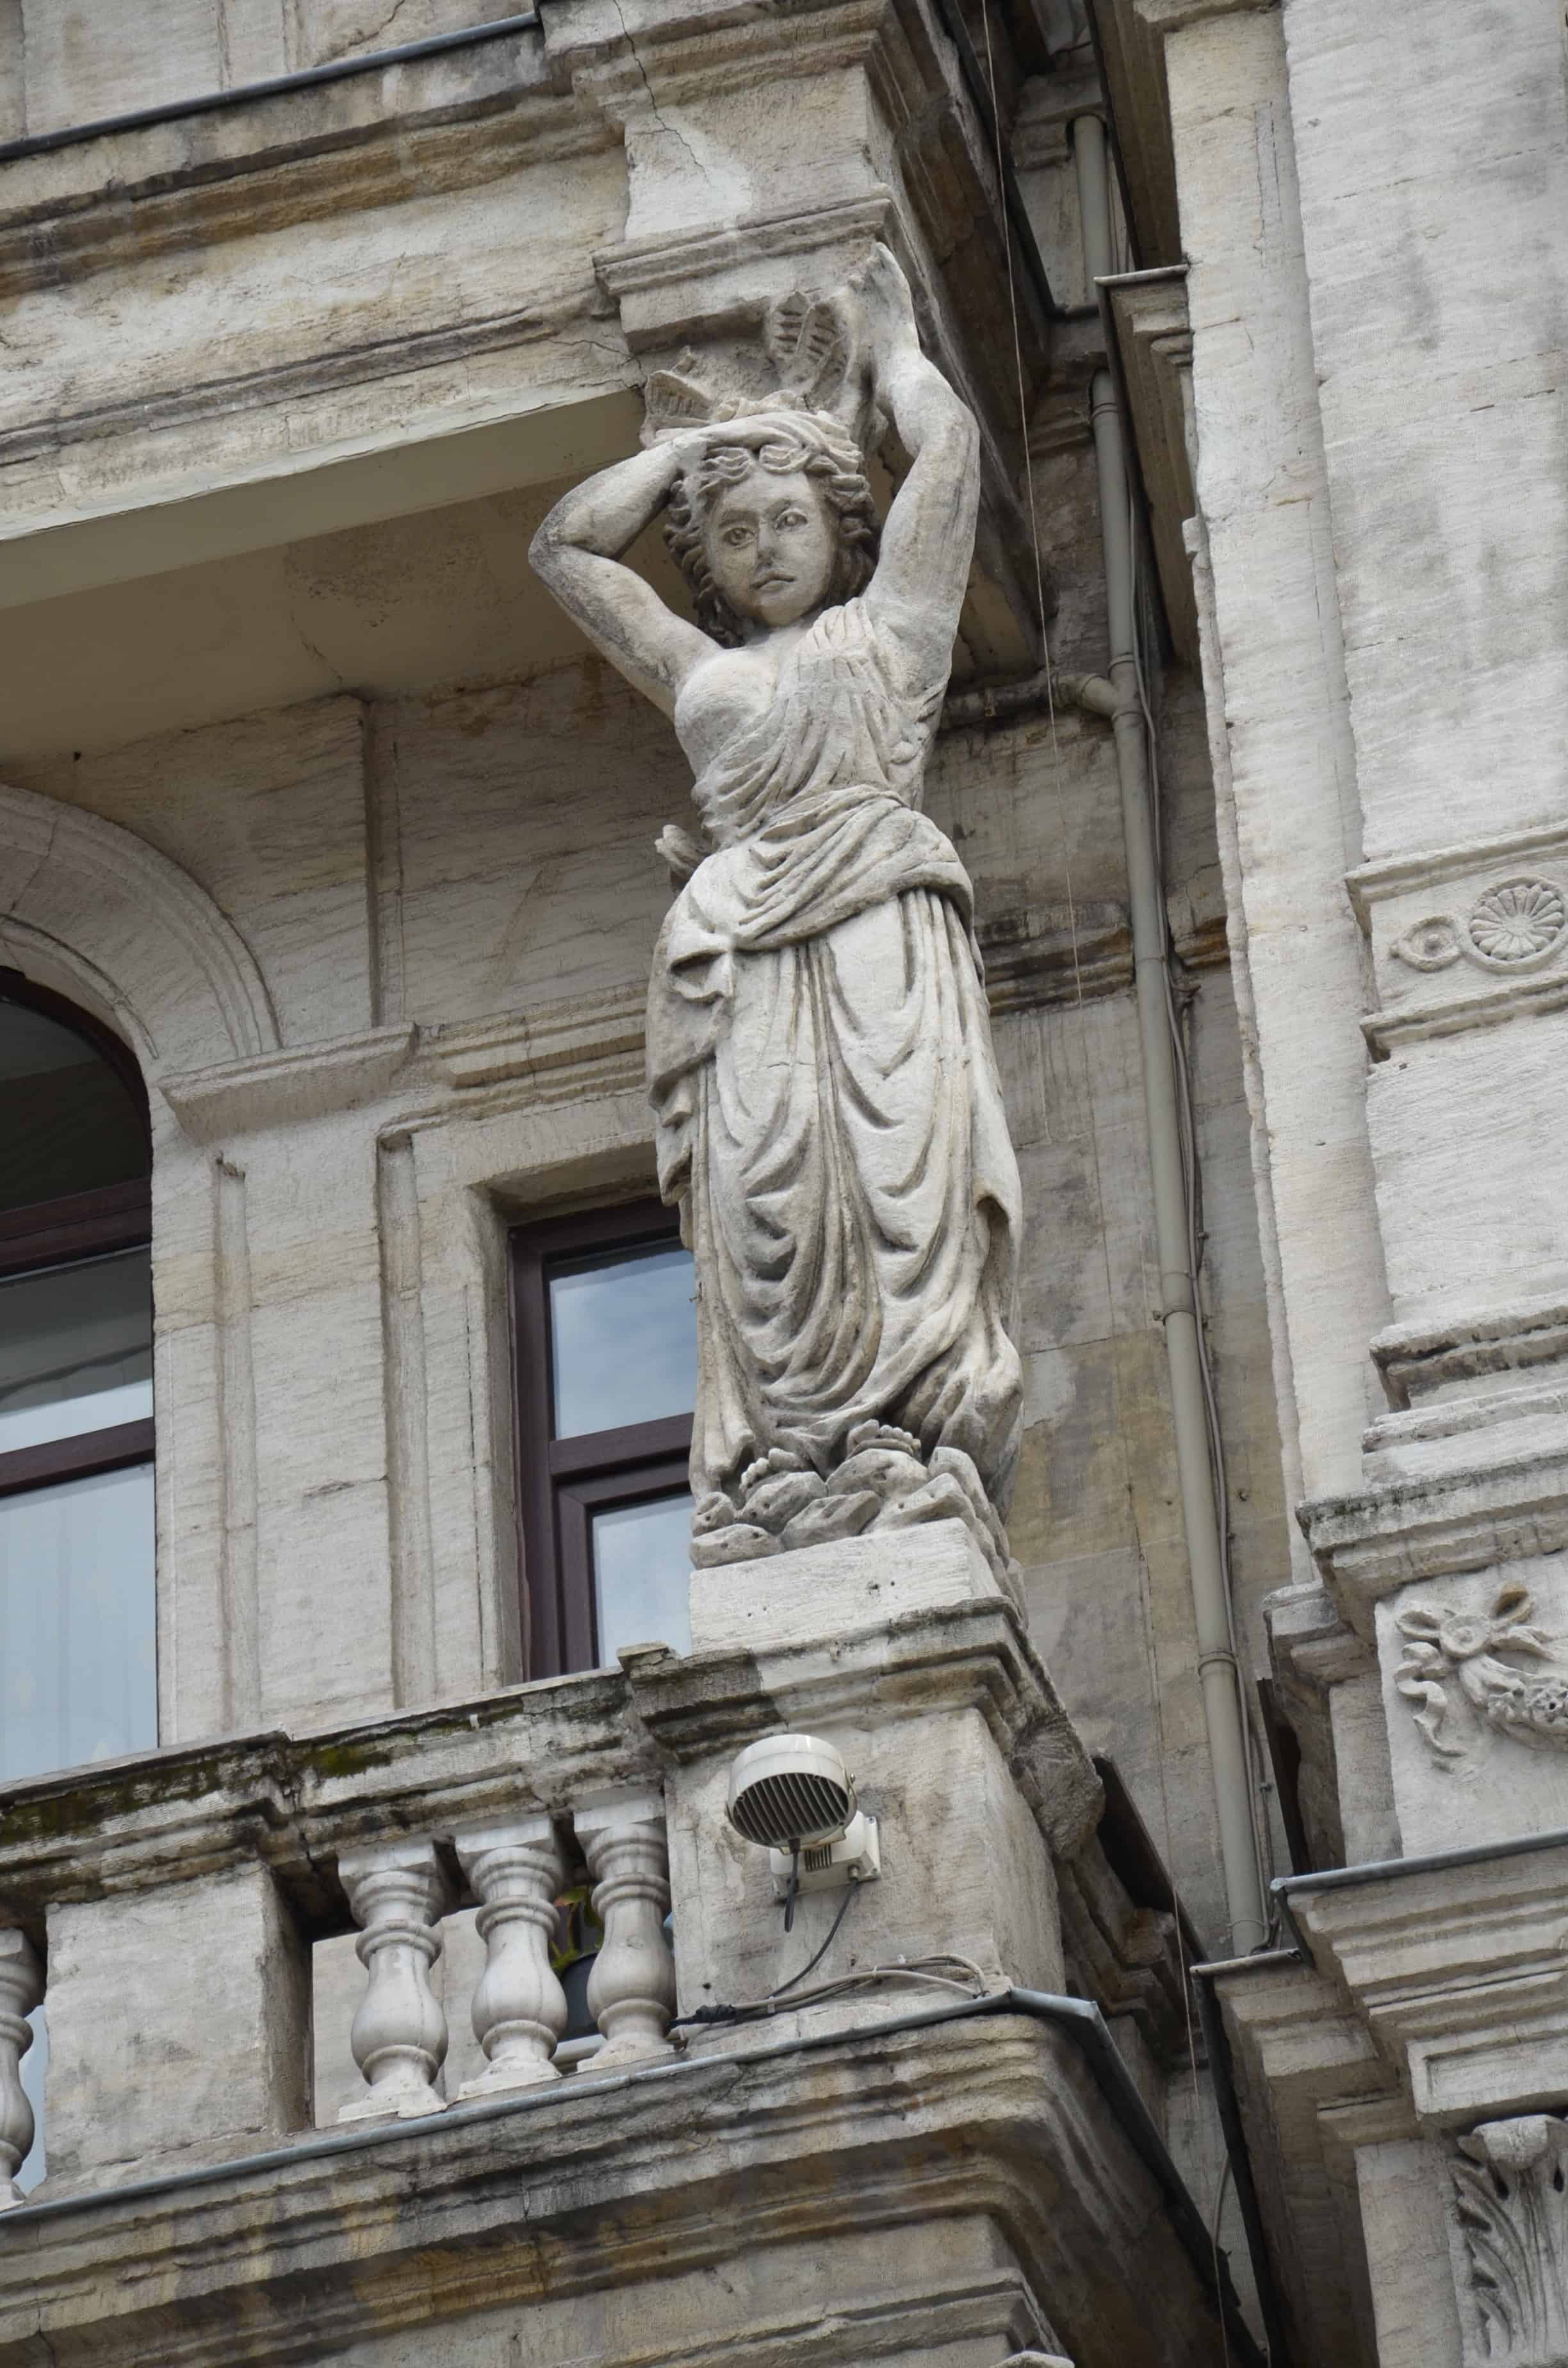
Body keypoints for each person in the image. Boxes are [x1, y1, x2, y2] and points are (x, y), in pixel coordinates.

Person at [530, 245, 1022, 1567]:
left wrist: (895, 360)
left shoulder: (894, 634)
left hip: (874, 917)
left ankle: (907, 1439)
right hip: (737, 942)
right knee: (767, 1214)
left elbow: (952, 458)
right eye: (737, 533)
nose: (764, 546)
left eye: (790, 518)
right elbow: (567, 549)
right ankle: (785, 1459)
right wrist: (717, 445)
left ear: (838, 525)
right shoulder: (698, 668)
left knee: (898, 1189)